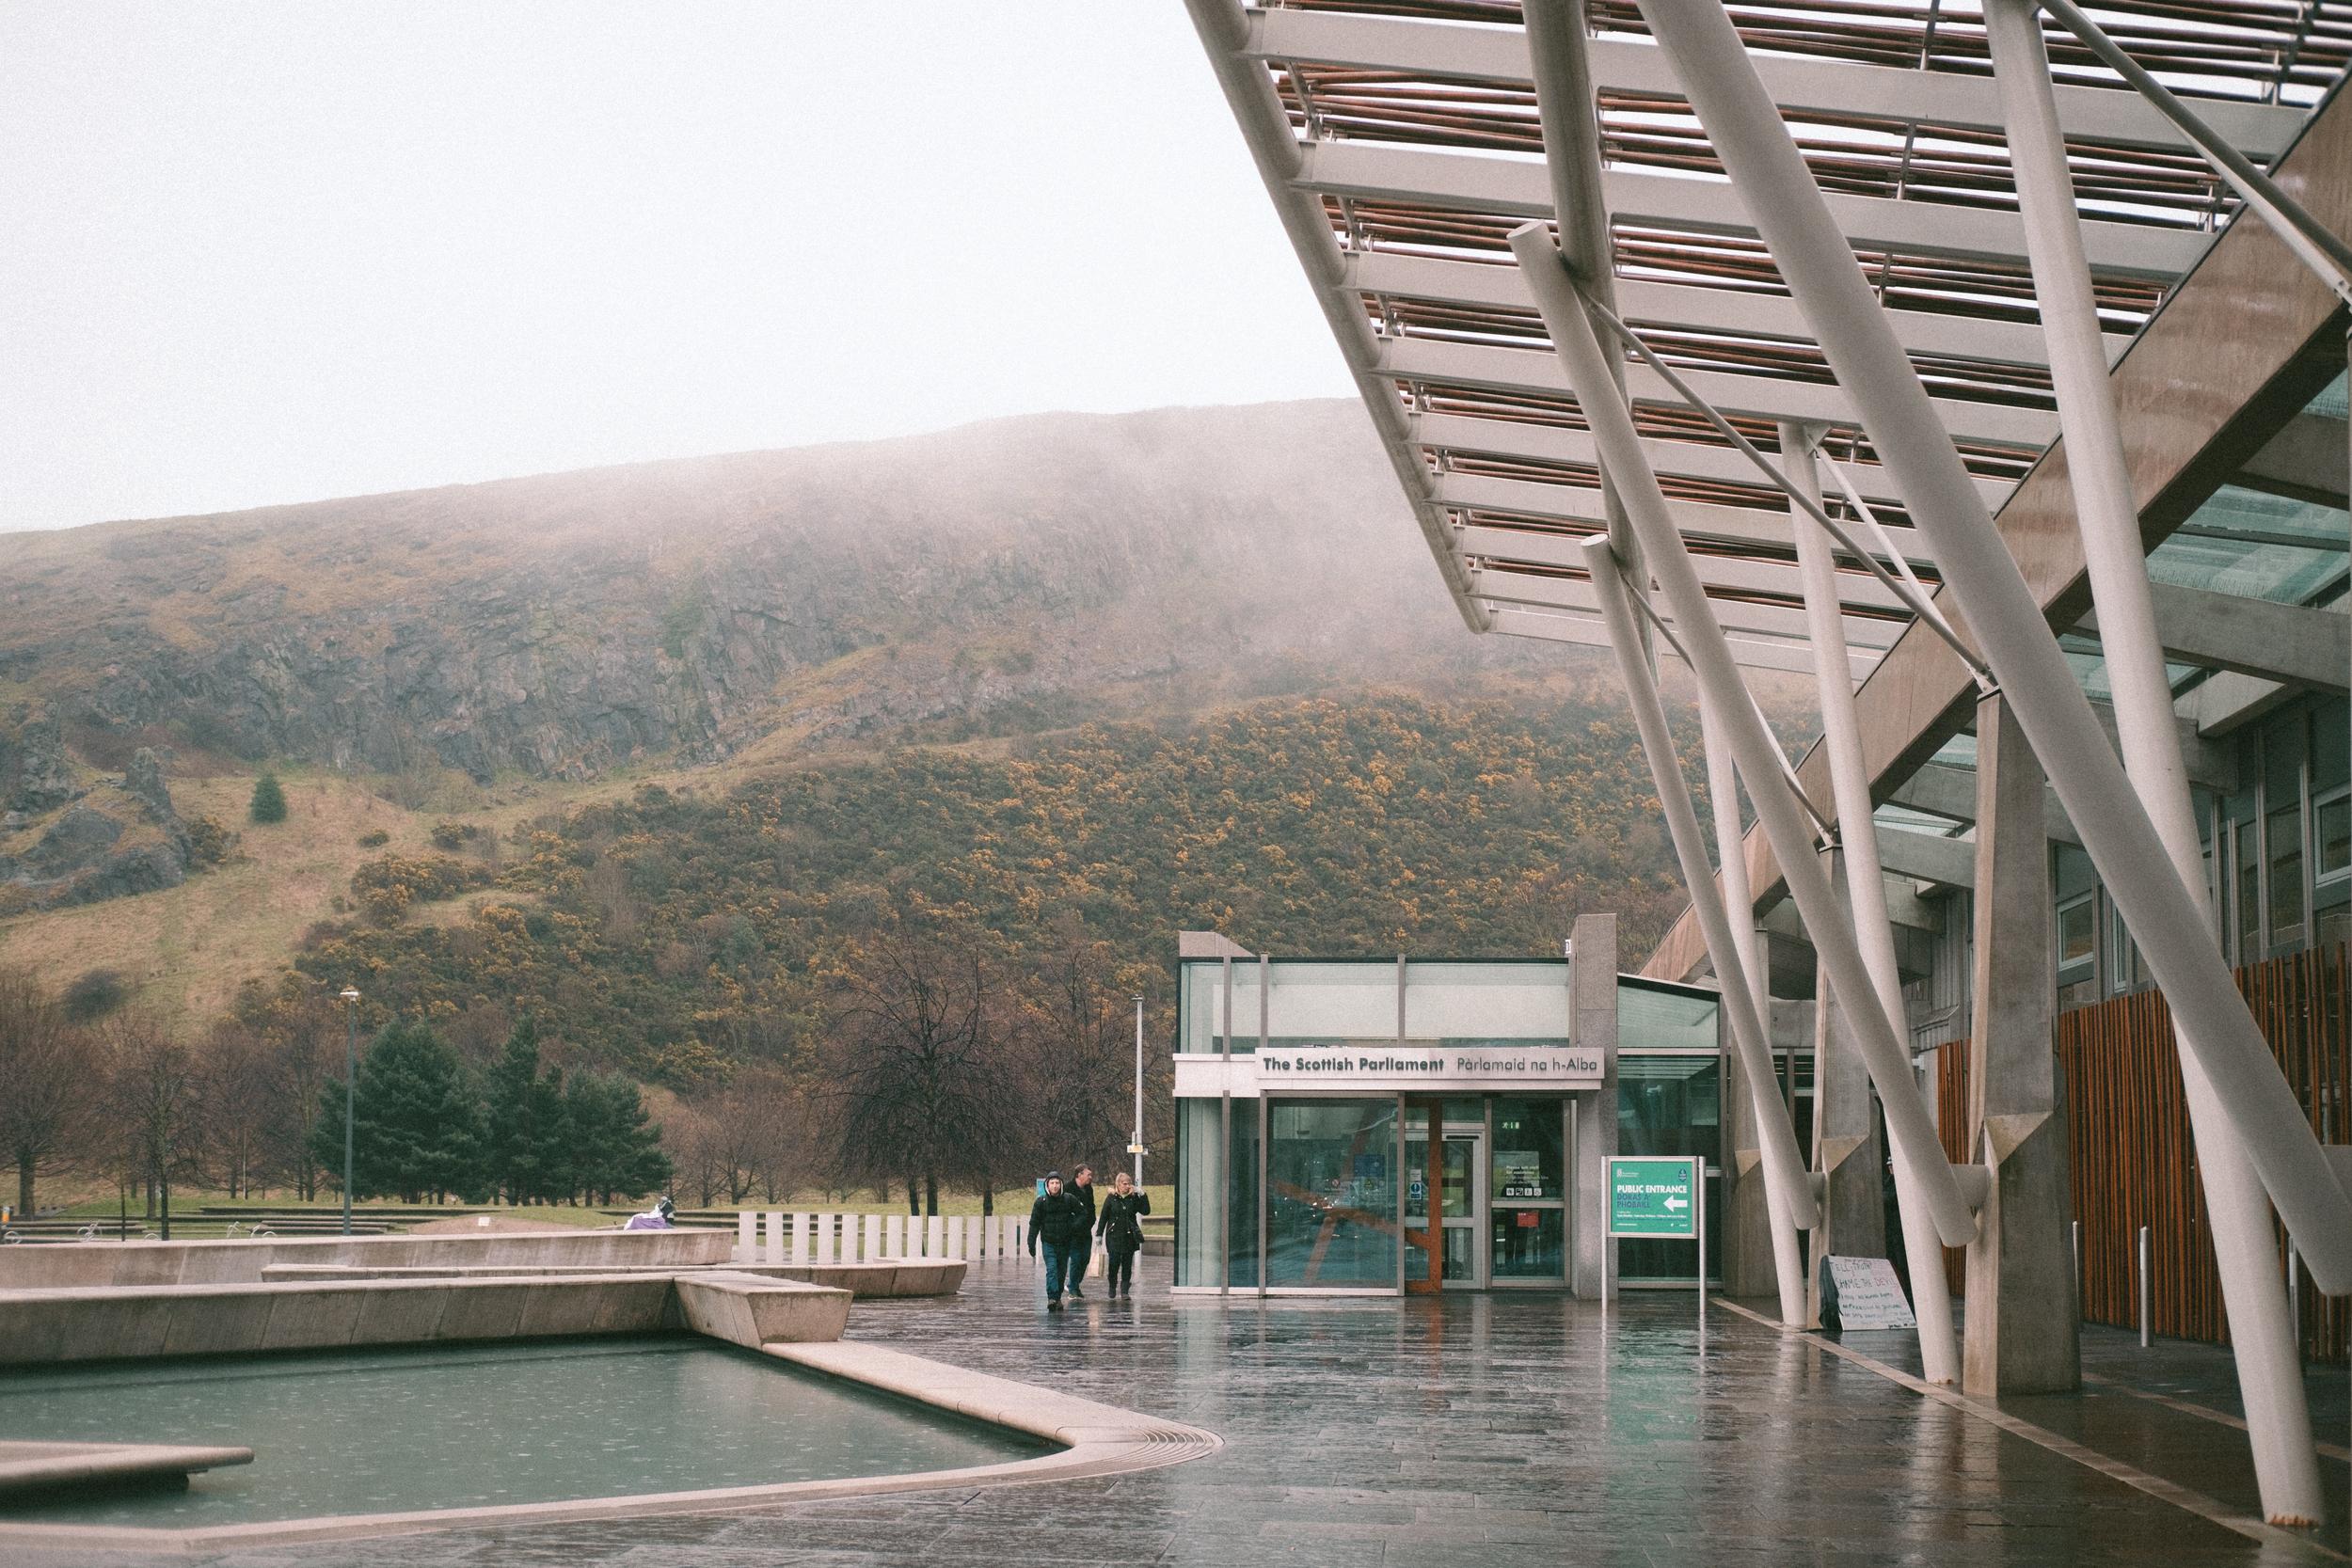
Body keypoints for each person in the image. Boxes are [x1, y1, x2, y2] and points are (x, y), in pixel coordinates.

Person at [1027, 1171, 1089, 1310]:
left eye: (1057, 1183)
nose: (1054, 1186)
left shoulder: (1069, 1199)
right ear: (1047, 1186)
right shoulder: (1040, 1202)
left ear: (1060, 1185)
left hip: (1065, 1242)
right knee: (1052, 1269)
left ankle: (1058, 1297)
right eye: (1052, 1183)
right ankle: (1052, 1297)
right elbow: (1034, 1223)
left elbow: (1083, 1213)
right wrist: (1030, 1243)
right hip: (1048, 1242)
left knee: (1061, 1271)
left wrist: (1074, 1226)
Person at [1095, 1171, 1151, 1298]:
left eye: (1129, 1184)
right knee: (1114, 1262)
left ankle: (1125, 1290)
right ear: (1118, 1184)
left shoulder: (1133, 1198)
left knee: (1127, 1264)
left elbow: (1146, 1211)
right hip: (1114, 1236)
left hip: (1129, 1235)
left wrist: (1142, 1195)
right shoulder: (1111, 1198)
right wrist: (1099, 1234)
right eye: (1124, 1184)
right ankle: (1112, 1286)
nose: (1127, 1186)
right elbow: (1104, 1217)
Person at [1067, 1164, 1098, 1297]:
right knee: (1076, 1258)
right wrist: (1072, 1226)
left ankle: (1075, 1284)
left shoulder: (1088, 1189)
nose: (1090, 1177)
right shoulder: (1068, 1189)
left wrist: (1090, 1222)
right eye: (1088, 1174)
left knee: (1085, 1259)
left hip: (1085, 1231)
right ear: (1079, 1175)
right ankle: (1073, 1287)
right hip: (1073, 1232)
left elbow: (1091, 1208)